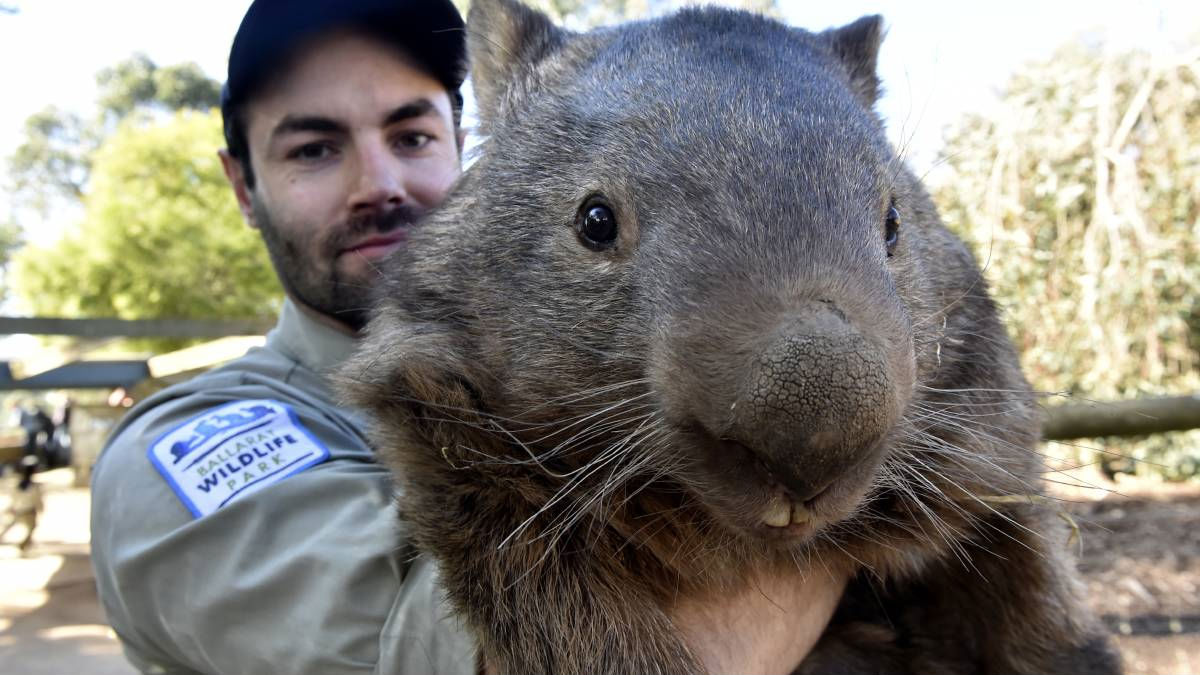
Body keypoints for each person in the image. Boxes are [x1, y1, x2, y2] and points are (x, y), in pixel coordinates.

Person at [89, 1, 845, 673]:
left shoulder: (574, 360)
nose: (379, 182)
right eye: (314, 149)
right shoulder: (176, 453)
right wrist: (861, 525)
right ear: (242, 187)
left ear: (469, 147)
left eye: (412, 135)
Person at [1, 455, 44, 554]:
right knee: (31, 527)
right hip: (27, 511)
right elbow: (37, 499)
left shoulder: (19, 484)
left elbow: (14, 497)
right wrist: (41, 508)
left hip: (18, 510)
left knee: (9, 527)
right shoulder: (32, 486)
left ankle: (23, 545)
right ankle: (23, 545)